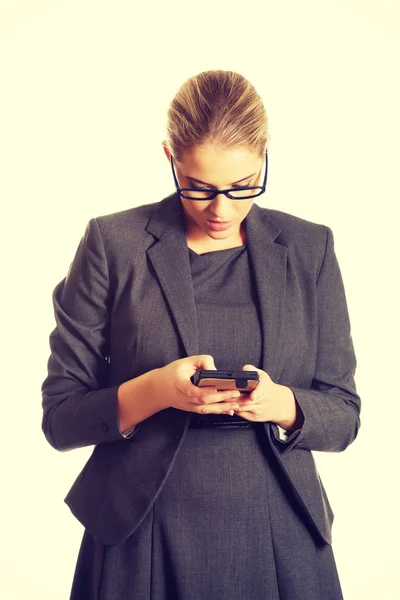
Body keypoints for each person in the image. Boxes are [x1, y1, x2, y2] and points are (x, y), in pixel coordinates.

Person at [41, 70, 361, 600]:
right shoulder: (111, 243)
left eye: (243, 186)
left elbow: (345, 415)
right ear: (169, 156)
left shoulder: (311, 249)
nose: (221, 209)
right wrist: (159, 390)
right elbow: (60, 419)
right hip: (141, 527)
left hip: (280, 526)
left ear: (263, 155)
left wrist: (282, 404)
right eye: (199, 187)